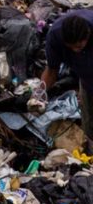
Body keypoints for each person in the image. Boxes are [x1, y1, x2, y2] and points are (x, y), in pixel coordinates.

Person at [41, 9, 93, 143]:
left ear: (88, 36)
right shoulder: (55, 37)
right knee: (90, 124)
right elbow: (51, 71)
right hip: (87, 81)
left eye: (79, 46)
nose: (75, 50)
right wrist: (39, 94)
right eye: (71, 47)